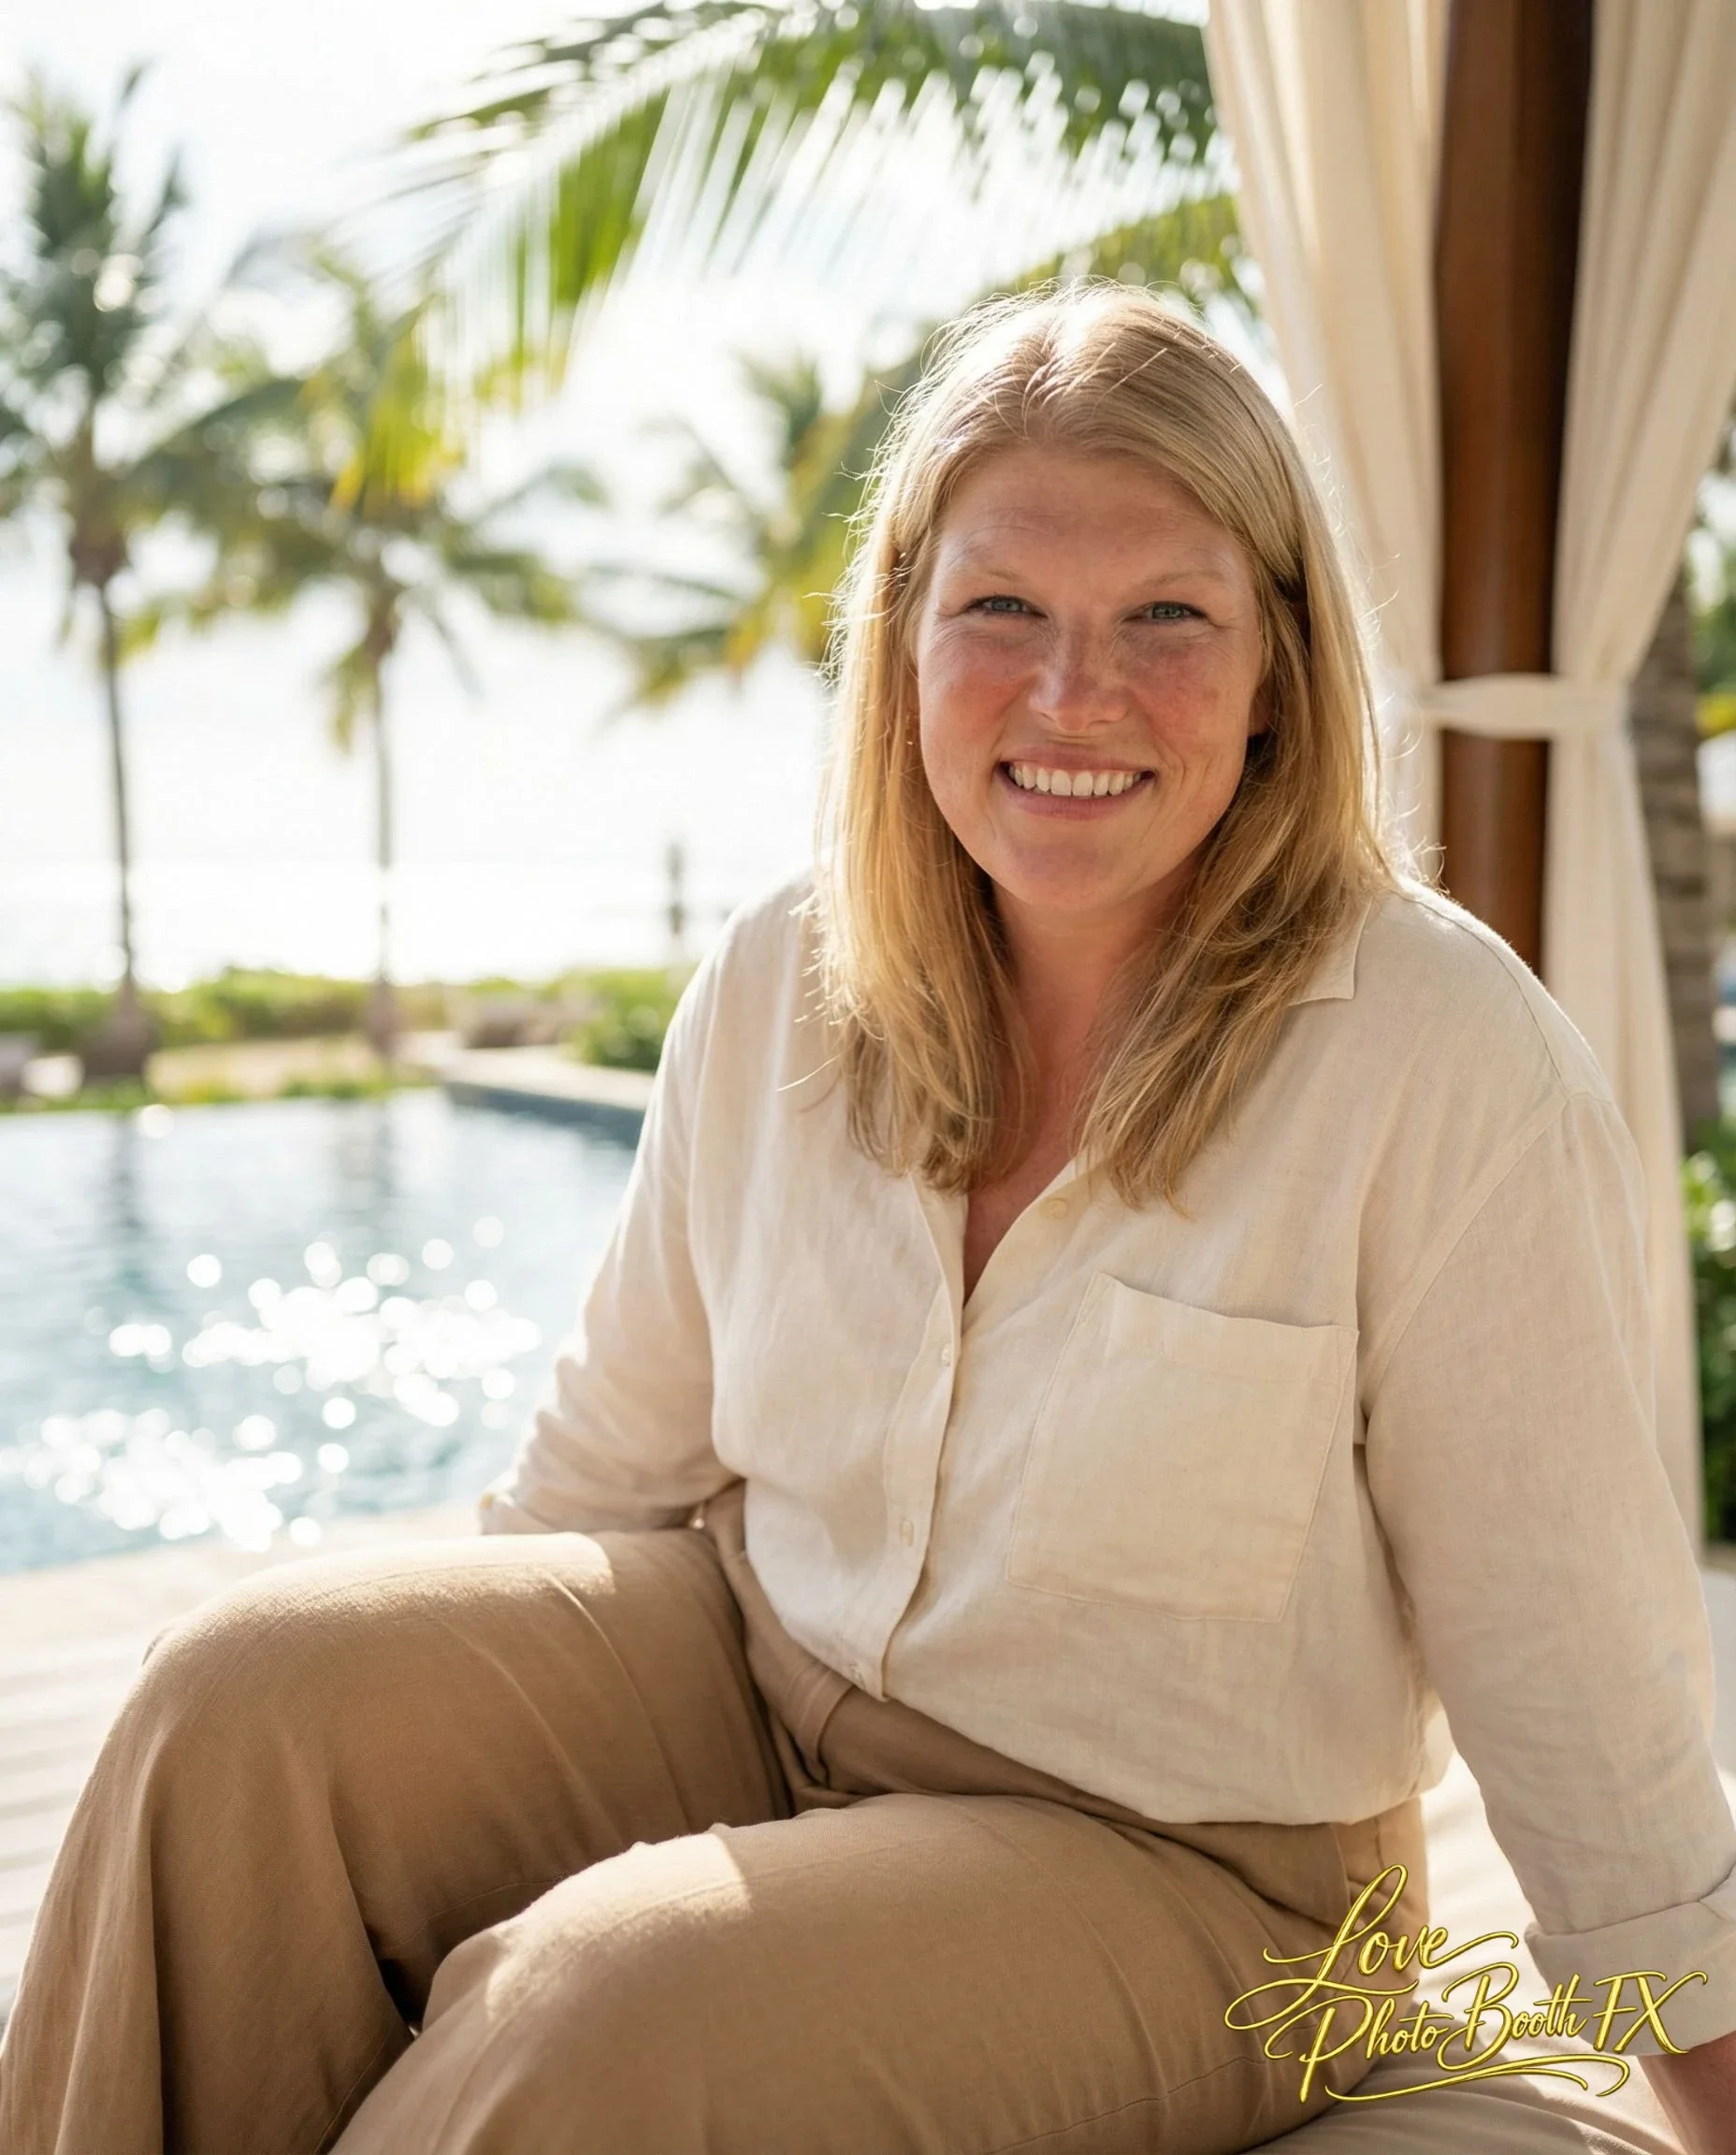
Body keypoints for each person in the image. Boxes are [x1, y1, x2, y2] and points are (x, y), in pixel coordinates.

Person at [4, 281, 1735, 2155]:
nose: (1071, 694)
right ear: (902, 635)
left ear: (1277, 673)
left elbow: (1587, 1700)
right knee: (237, 1705)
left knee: (601, 2006)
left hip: (1204, 1879)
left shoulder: (1443, 1058)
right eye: (1002, 610)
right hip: (759, 1686)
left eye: (1166, 616)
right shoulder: (779, 976)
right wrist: (439, 1718)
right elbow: (598, 1483)